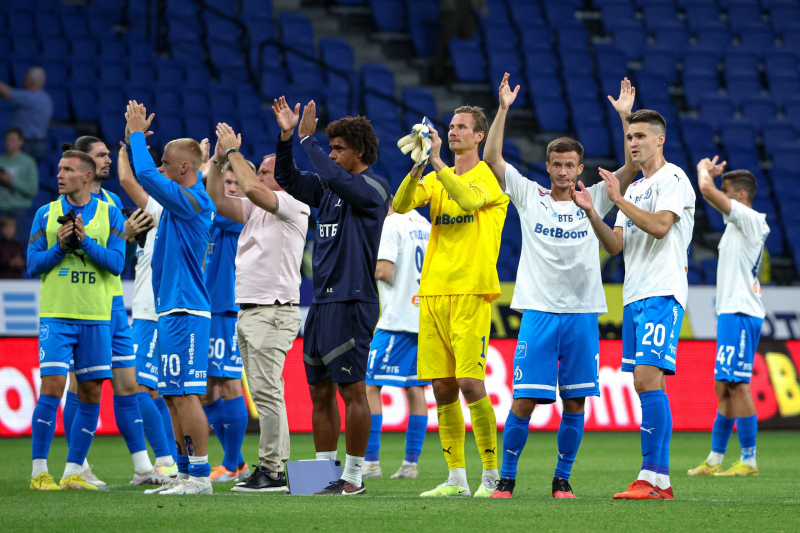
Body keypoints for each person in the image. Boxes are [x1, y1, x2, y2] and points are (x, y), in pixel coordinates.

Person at [484, 75, 639, 499]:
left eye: (571, 165)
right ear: (548, 166)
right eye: (558, 165)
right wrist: (502, 109)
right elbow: (493, 158)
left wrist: (626, 117)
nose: (564, 171)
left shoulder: (596, 198)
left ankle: (562, 478)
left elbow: (630, 166)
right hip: (538, 312)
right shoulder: (530, 195)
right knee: (523, 403)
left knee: (575, 404)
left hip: (583, 313)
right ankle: (508, 478)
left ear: (579, 169)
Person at [272, 97, 391, 496]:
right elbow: (288, 179)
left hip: (353, 301)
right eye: (330, 147)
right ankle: (324, 476)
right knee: (319, 391)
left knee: (352, 390)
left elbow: (341, 181)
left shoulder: (374, 187)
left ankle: (354, 476)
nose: (333, 154)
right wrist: (288, 138)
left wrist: (310, 142)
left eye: (339, 148)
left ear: (359, 151)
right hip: (321, 302)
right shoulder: (327, 189)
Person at [393, 105, 508, 498]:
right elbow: (402, 204)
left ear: (479, 136)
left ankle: (491, 474)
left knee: (470, 383)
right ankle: (456, 477)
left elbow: (470, 202)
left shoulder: (488, 179)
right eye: (451, 126)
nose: (454, 131)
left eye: (462, 127)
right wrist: (418, 167)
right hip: (433, 292)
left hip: (471, 292)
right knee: (442, 387)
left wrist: (439, 162)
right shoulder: (437, 179)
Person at [584, 110, 696, 500]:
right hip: (634, 294)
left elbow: (661, 226)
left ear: (660, 140)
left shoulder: (674, 179)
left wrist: (615, 198)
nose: (633, 143)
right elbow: (615, 245)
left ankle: (649, 476)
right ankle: (661, 481)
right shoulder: (632, 191)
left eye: (641, 136)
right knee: (645, 382)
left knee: (647, 380)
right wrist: (594, 212)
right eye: (630, 136)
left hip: (663, 291)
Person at [60, 135, 172, 486]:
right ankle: (77, 465)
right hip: (84, 307)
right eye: (100, 155)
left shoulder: (109, 201)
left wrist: (128, 236)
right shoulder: (65, 207)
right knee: (80, 387)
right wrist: (123, 236)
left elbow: (114, 258)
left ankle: (145, 465)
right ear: (84, 166)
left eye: (109, 155)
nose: (106, 160)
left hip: (113, 306)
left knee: (129, 385)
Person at [210, 124, 309, 492]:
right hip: (251, 310)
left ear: (282, 177)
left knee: (267, 391)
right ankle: (274, 468)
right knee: (266, 390)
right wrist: (219, 163)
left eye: (266, 171)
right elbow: (216, 200)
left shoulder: (292, 204)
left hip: (273, 309)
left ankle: (272, 469)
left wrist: (235, 151)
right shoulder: (256, 210)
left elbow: (249, 186)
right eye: (261, 171)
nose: (259, 177)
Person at [124, 100, 216, 495]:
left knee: (188, 395)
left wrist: (133, 137)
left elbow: (142, 174)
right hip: (171, 309)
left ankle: (200, 477)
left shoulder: (192, 200)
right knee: (175, 395)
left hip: (187, 309)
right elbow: (144, 175)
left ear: (184, 169)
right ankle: (183, 472)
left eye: (166, 162)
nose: (160, 168)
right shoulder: (180, 202)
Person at [28, 150, 125, 490]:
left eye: (67, 169)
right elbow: (33, 264)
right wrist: (59, 248)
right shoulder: (45, 213)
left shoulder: (111, 215)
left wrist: (84, 243)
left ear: (87, 176)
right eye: (58, 168)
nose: (60, 174)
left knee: (90, 393)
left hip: (96, 317)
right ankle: (39, 472)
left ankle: (72, 472)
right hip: (57, 314)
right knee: (52, 388)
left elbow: (116, 263)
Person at [688, 160, 769, 477]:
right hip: (729, 312)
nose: (722, 196)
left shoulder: (750, 219)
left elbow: (706, 189)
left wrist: (703, 170)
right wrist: (711, 182)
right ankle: (714, 458)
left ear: (742, 194)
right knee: (723, 387)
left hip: (741, 312)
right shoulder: (737, 224)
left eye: (728, 192)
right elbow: (712, 194)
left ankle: (749, 460)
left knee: (738, 384)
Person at [118, 143, 181, 479]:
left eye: (159, 171)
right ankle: (169, 460)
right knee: (154, 389)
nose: (152, 178)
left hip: (150, 312)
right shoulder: (164, 208)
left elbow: (128, 179)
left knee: (138, 385)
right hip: (149, 310)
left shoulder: (162, 203)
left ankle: (167, 462)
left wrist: (126, 145)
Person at [362, 200, 432, 480]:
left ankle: (370, 463)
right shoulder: (426, 225)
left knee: (370, 386)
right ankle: (410, 465)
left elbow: (383, 272)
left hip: (396, 320)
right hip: (424, 319)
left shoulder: (392, 223)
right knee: (416, 390)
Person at [200, 162, 249, 483]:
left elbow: (206, 204)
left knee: (229, 384)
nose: (229, 187)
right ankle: (239, 462)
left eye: (234, 182)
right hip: (205, 309)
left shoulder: (242, 216)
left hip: (227, 309)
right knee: (205, 392)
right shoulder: (215, 219)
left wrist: (209, 174)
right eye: (225, 181)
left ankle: (231, 465)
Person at [0, 67, 53, 162]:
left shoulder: (30, 97)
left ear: (31, 82)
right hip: (41, 143)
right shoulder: (46, 98)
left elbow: (6, 92)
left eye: (25, 78)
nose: (23, 80)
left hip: (26, 144)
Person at [0, 127, 39, 235]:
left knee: (16, 246)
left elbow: (32, 190)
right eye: (7, 139)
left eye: (12, 140)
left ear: (21, 142)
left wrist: (11, 181)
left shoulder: (28, 162)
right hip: (1, 208)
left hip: (18, 210)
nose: (9, 143)